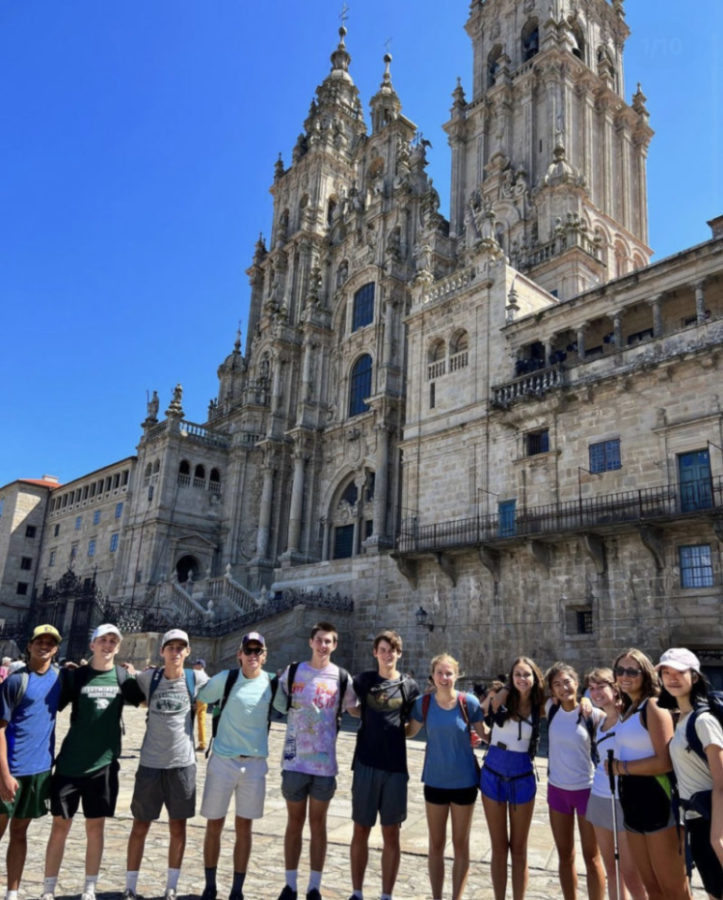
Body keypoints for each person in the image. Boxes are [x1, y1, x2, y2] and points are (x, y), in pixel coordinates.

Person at [41, 623, 144, 900]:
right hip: (71, 763)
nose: (108, 645)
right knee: (60, 826)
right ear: (93, 645)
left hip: (104, 764)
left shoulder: (123, 679)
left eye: (113, 641)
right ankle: (48, 889)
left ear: (118, 647)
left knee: (95, 827)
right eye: (103, 640)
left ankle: (90, 887)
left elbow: (146, 702)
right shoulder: (76, 678)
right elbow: (49, 708)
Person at [122, 628, 208, 900]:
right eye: (170, 647)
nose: (175, 652)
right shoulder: (150, 678)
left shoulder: (197, 678)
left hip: (182, 764)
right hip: (150, 763)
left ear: (188, 651)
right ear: (162, 651)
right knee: (140, 825)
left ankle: (171, 886)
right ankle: (130, 886)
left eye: (181, 647)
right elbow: (126, 687)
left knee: (178, 826)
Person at [274, 621, 357, 900]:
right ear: (310, 642)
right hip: (294, 762)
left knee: (318, 826)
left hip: (324, 766)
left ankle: (314, 887)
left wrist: (386, 709)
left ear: (335, 645)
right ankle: (290, 885)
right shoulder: (293, 672)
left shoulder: (341, 677)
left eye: (328, 641)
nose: (323, 646)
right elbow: (274, 698)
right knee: (293, 824)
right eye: (319, 640)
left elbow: (355, 708)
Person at [197, 632, 276, 900]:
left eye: (258, 651)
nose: (253, 655)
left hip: (254, 765)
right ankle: (210, 885)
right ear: (239, 654)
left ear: (264, 656)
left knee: (245, 828)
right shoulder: (226, 679)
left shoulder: (272, 683)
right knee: (214, 825)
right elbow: (202, 695)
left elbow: (289, 707)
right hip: (223, 761)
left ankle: (237, 890)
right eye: (248, 650)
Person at [609, 647, 691, 900]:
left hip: (658, 801)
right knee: (652, 888)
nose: (625, 675)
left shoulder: (653, 706)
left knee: (674, 889)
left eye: (632, 671)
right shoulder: (627, 709)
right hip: (632, 803)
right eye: (620, 670)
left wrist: (621, 768)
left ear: (645, 674)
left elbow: (664, 761)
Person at [407, 652, 486, 900]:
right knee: (436, 844)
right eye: (440, 673)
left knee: (461, 844)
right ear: (432, 675)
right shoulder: (424, 703)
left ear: (456, 675)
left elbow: (485, 734)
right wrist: (382, 723)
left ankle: (457, 897)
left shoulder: (469, 702)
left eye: (448, 673)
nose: (444, 677)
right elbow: (410, 731)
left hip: (464, 782)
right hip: (435, 781)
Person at [347, 629, 419, 900]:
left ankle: (386, 895)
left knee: (392, 832)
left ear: (399, 654)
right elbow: (350, 705)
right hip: (365, 762)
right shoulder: (363, 680)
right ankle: (357, 891)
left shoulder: (409, 686)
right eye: (383, 649)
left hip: (395, 767)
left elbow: (412, 727)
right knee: (360, 828)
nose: (388, 654)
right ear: (375, 652)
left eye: (392, 650)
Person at [0, 624, 63, 900]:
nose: (44, 646)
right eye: (40, 641)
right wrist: (3, 774)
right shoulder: (15, 681)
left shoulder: (61, 680)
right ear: (29, 645)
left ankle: (12, 892)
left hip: (38, 771)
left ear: (56, 648)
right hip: (11, 769)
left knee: (20, 833)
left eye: (50, 642)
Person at [657, 648, 723, 900]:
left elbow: (721, 782)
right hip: (697, 820)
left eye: (679, 672)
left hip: (713, 821)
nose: (672, 677)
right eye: (666, 672)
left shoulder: (703, 721)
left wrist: (718, 837)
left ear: (694, 677)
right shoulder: (682, 718)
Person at [481, 656, 545, 900]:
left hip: (522, 775)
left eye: (527, 674)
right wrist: (506, 687)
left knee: (519, 850)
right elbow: (483, 712)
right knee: (498, 848)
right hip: (493, 772)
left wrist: (583, 700)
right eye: (517, 674)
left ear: (535, 677)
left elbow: (565, 704)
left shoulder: (540, 704)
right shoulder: (501, 696)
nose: (522, 679)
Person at [544, 661, 605, 900]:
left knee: (592, 857)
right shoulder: (550, 708)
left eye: (567, 682)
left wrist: (588, 700)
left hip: (587, 792)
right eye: (557, 684)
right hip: (557, 791)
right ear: (552, 690)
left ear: (577, 683)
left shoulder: (593, 715)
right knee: (565, 855)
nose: (563, 688)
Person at [585, 668, 647, 900]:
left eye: (601, 686)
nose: (596, 692)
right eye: (591, 688)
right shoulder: (599, 721)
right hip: (600, 796)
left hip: (626, 799)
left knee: (631, 873)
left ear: (614, 687)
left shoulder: (630, 716)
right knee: (611, 869)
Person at [194, 658, 209, 752]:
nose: (194, 666)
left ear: (200, 666)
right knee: (201, 722)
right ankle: (202, 744)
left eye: (196, 664)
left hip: (198, 700)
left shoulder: (197, 674)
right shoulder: (206, 675)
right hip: (204, 700)